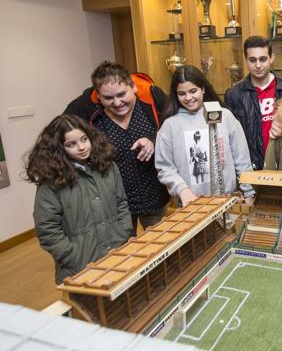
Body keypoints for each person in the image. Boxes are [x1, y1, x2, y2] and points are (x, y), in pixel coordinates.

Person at [25, 114, 133, 284]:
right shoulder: (52, 181)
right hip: (79, 265)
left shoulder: (108, 166)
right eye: (71, 144)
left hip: (117, 251)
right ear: (59, 148)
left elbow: (121, 203)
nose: (82, 147)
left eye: (84, 139)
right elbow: (47, 228)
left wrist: (124, 233)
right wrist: (71, 256)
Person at [64, 61, 170, 234]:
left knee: (162, 247)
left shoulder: (152, 99)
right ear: (98, 96)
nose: (117, 102)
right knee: (124, 253)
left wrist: (153, 139)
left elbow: (173, 127)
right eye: (108, 98)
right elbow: (60, 136)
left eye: (122, 94)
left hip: (154, 195)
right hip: (114, 205)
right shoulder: (84, 109)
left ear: (133, 87)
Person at [155, 65, 255, 207]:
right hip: (191, 206)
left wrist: (249, 192)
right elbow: (164, 167)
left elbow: (241, 159)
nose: (188, 97)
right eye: (182, 93)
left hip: (228, 201)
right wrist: (181, 189)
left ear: (203, 89)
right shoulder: (170, 126)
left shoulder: (225, 116)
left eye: (193, 91)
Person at [224, 36, 282, 170]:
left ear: (272, 58)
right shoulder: (234, 95)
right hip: (250, 167)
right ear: (246, 60)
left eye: (263, 59)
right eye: (252, 60)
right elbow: (229, 138)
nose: (258, 65)